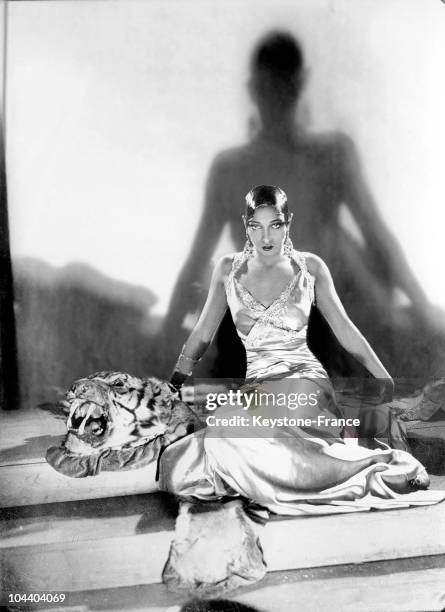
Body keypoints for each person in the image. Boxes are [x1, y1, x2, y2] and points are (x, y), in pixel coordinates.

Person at [163, 31, 444, 382]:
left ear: (298, 86)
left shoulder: (330, 155)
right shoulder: (230, 168)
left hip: (320, 321)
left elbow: (377, 236)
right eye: (269, 88)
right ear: (254, 89)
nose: (276, 99)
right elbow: (196, 261)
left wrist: (420, 311)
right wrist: (166, 335)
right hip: (251, 326)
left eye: (283, 87)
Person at [158, 185, 437, 516]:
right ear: (244, 224)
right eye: (255, 225)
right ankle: (276, 476)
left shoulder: (310, 267)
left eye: (275, 224)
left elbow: (346, 330)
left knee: (250, 437)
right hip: (257, 388)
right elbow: (202, 333)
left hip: (304, 381)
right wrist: (174, 381)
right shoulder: (227, 269)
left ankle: (369, 468)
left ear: (288, 221)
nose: (266, 236)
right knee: (192, 456)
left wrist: (383, 378)